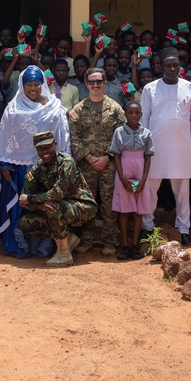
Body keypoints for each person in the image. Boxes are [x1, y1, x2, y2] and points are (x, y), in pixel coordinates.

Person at [0, 65, 70, 258]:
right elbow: (4, 134)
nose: (33, 89)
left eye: (37, 84)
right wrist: (5, 163)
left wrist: (63, 162)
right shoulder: (13, 107)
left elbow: (63, 134)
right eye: (29, 85)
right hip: (19, 167)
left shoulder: (53, 106)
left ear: (43, 84)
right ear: (22, 85)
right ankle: (19, 243)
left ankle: (43, 242)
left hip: (47, 167)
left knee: (45, 204)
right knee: (21, 205)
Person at [139, 48, 191, 247]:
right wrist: (143, 148)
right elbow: (143, 119)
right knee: (150, 189)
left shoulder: (190, 88)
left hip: (182, 148)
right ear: (160, 67)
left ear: (180, 66)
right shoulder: (150, 89)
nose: (172, 68)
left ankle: (183, 229)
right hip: (155, 148)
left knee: (183, 192)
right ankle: (147, 226)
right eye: (168, 65)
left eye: (175, 65)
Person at [18, 131, 98, 267]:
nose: (45, 152)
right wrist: (39, 206)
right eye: (41, 149)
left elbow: (56, 194)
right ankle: (68, 240)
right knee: (26, 222)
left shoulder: (66, 162)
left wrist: (32, 198)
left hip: (84, 206)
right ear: (36, 150)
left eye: (48, 147)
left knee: (53, 207)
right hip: (61, 206)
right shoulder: (36, 170)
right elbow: (22, 201)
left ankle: (65, 254)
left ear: (55, 145)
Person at [68, 67, 126, 255]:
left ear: (104, 83)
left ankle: (110, 240)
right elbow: (74, 137)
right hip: (87, 164)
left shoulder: (116, 108)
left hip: (109, 164)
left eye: (98, 81)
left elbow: (122, 136)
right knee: (88, 202)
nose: (95, 85)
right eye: (91, 82)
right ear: (86, 84)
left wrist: (107, 157)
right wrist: (89, 157)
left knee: (109, 203)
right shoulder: (78, 110)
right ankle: (88, 239)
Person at [109, 101, 154, 260]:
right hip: (125, 171)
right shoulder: (119, 132)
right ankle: (125, 246)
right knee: (124, 210)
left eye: (137, 113)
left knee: (137, 210)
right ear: (125, 114)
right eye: (130, 112)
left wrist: (143, 179)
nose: (134, 116)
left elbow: (148, 157)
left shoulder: (146, 133)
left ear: (141, 114)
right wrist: (121, 177)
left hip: (141, 171)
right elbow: (116, 155)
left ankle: (135, 246)